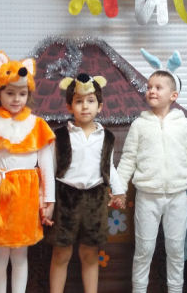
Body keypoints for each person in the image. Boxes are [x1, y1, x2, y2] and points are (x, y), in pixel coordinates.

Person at [116, 49, 187, 293]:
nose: (151, 91)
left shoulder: (183, 124)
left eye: (158, 87)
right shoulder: (139, 124)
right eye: (149, 87)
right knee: (144, 250)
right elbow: (128, 159)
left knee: (176, 250)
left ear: (173, 95)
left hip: (177, 197)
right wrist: (119, 189)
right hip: (147, 196)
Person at [0, 51, 56, 293]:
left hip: (26, 198)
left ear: (28, 94)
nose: (16, 99)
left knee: (20, 255)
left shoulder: (38, 126)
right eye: (10, 93)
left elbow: (46, 166)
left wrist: (49, 199)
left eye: (22, 93)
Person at [48, 73, 127, 293]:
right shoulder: (60, 136)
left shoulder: (106, 137)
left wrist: (119, 191)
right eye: (79, 101)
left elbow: (109, 167)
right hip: (66, 199)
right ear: (69, 105)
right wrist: (46, 200)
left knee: (90, 254)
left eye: (91, 101)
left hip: (95, 200)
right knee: (61, 253)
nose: (85, 106)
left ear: (100, 106)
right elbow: (50, 169)